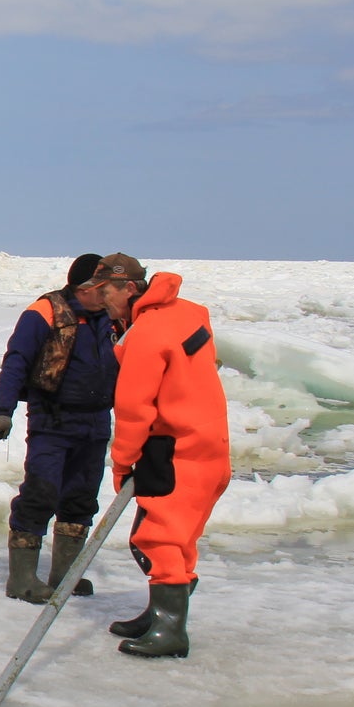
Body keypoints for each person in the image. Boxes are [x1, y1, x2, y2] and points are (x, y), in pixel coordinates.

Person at [95, 253, 231, 658]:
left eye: (105, 292)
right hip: (209, 445)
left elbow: (135, 410)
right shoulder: (188, 313)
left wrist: (122, 463)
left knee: (157, 538)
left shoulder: (145, 336)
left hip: (175, 449)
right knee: (179, 538)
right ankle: (159, 613)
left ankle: (171, 630)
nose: (102, 301)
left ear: (129, 289)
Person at [0, 253, 119, 603]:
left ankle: (65, 575)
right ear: (85, 286)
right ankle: (22, 579)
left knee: (81, 498)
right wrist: (3, 411)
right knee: (40, 493)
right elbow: (17, 361)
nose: (109, 294)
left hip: (95, 421)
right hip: (53, 419)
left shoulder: (112, 317)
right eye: (103, 287)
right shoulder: (44, 313)